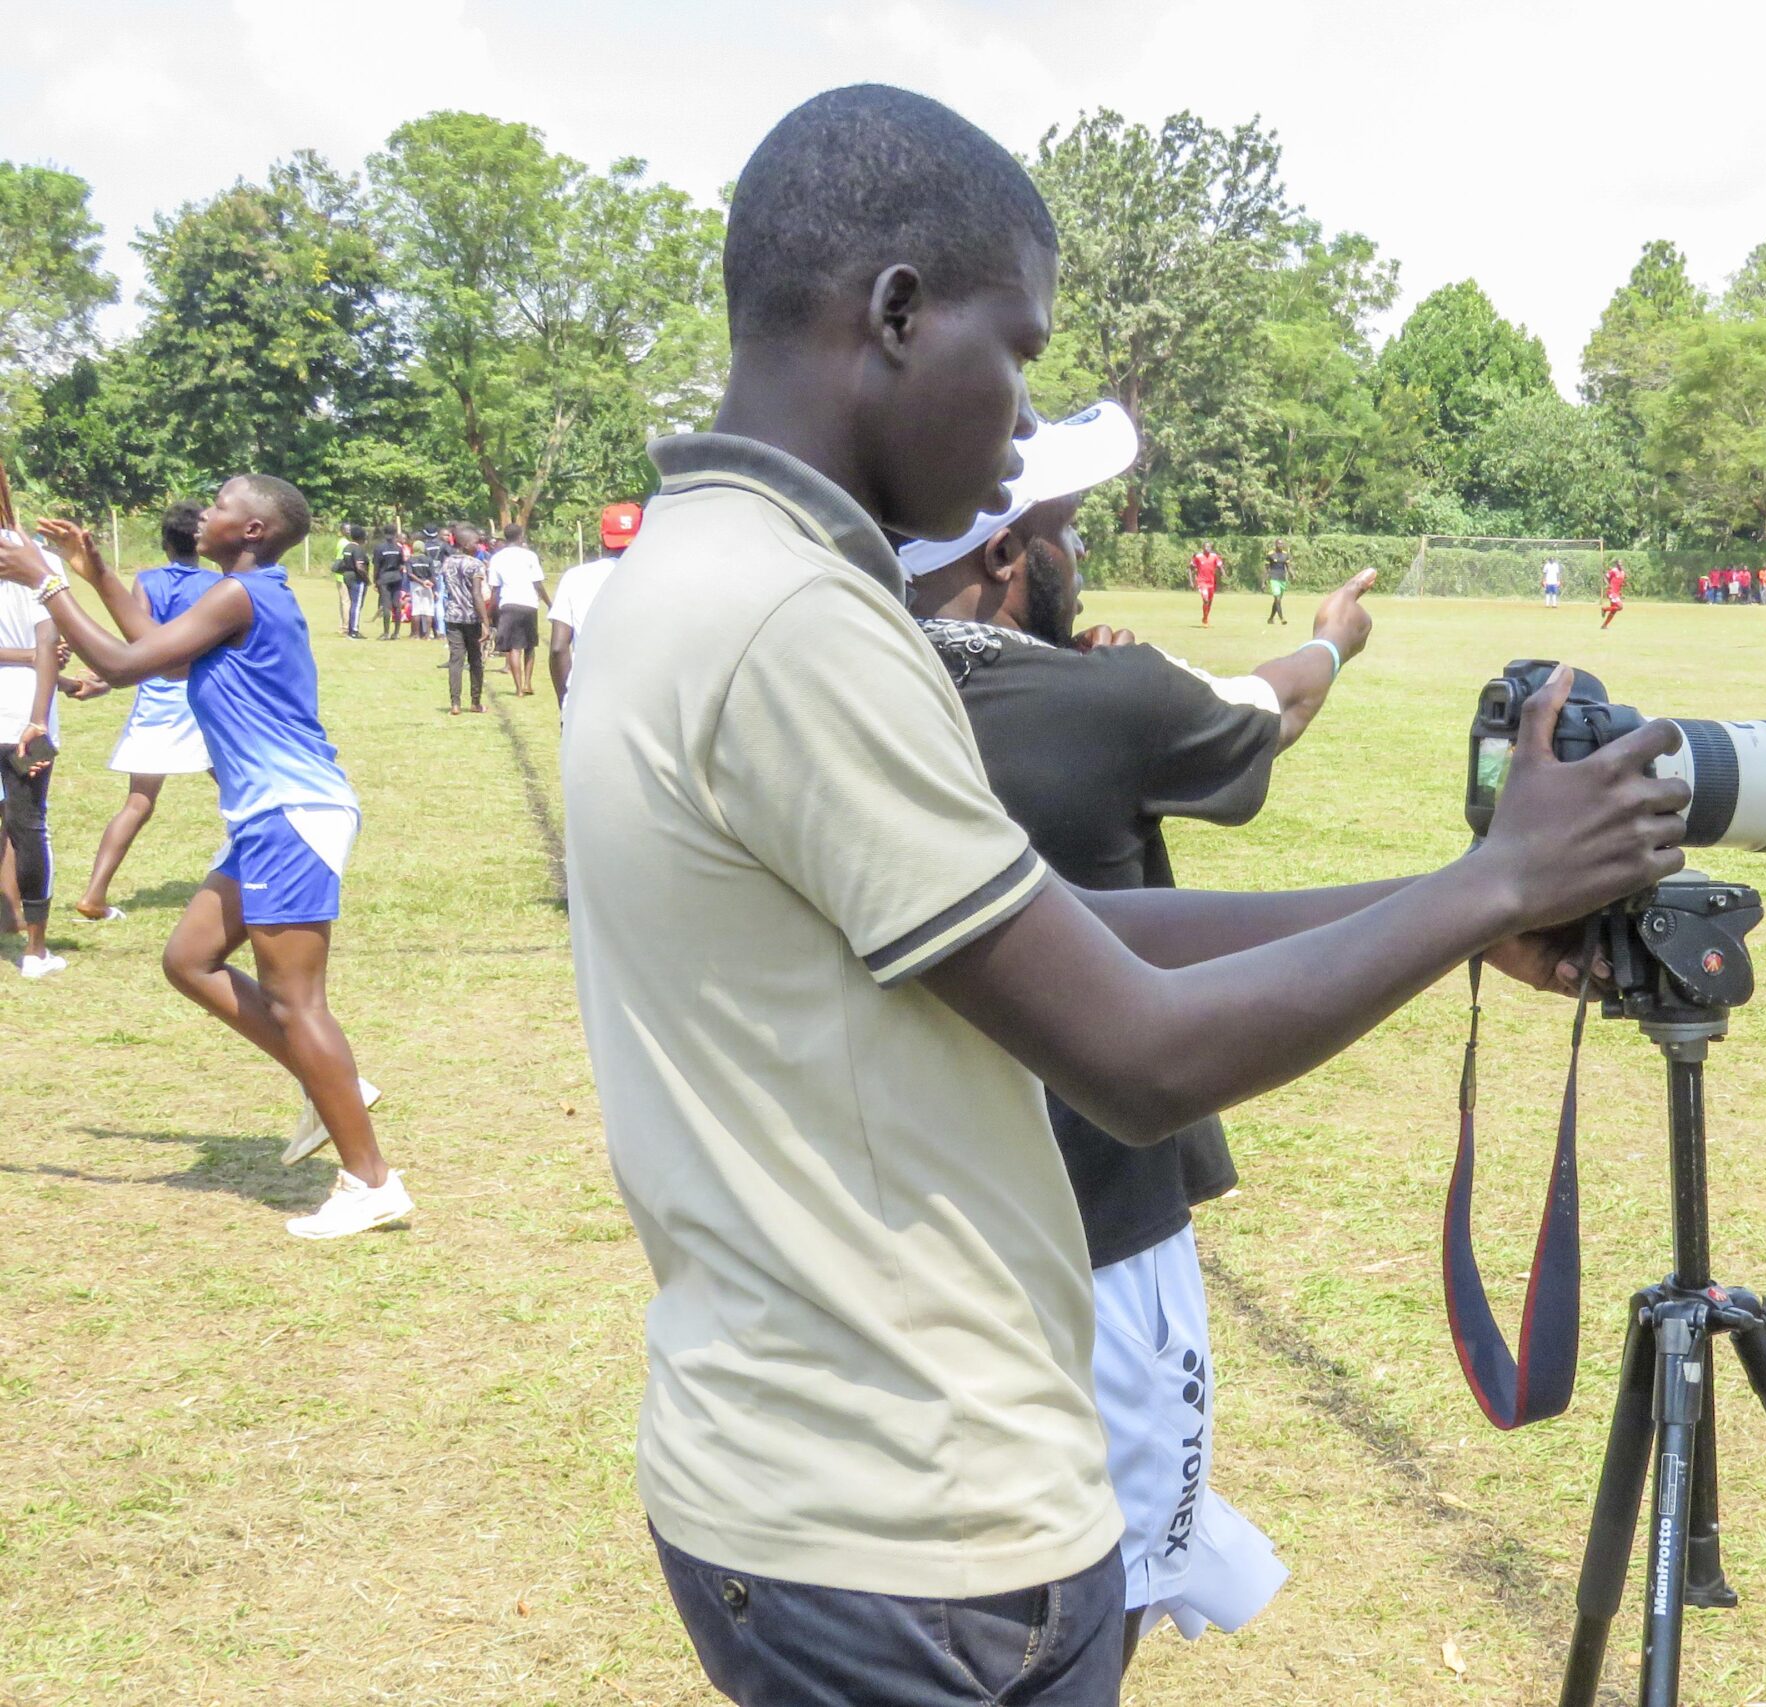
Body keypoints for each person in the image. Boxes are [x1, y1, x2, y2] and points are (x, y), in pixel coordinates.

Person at [558, 85, 1684, 1707]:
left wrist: (1463, 900)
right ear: (897, 313)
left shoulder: (696, 566)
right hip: (910, 1532)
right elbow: (1138, 1056)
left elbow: (1057, 937)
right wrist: (1500, 878)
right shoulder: (793, 619)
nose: (1024, 425)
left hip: (798, 1471)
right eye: (1016, 352)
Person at [901, 399, 1381, 1660]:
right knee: (1101, 1574)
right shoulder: (1104, 697)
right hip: (1102, 1216)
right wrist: (1331, 642)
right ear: (1007, 555)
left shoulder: (847, 695)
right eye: (1064, 531)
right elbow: (1267, 708)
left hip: (910, 1223)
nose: (1078, 555)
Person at [2, 482, 407, 1238]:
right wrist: (97, 574)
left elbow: (123, 663)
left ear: (251, 529)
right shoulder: (242, 596)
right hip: (267, 815)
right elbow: (158, 657)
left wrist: (46, 583)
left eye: (218, 505)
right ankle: (333, 1084)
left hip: (290, 811)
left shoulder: (240, 595)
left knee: (296, 1003)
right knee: (189, 959)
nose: (202, 514)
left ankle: (371, 1182)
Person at [74, 502, 216, 923]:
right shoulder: (218, 585)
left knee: (138, 802)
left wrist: (106, 680)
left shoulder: (147, 581)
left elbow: (138, 644)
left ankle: (94, 894)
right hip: (202, 698)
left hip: (155, 699)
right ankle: (261, 877)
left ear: (164, 542)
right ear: (201, 542)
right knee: (240, 790)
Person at [1, 527, 68, 978]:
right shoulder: (39, 559)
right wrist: (39, 718)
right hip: (22, 715)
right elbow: (48, 642)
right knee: (28, 827)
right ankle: (35, 952)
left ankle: (10, 919)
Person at [549, 503, 637, 703]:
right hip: (639, 699)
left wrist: (566, 705)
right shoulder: (658, 577)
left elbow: (558, 648)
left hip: (588, 698)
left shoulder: (576, 577)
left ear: (603, 539)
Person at [436, 526, 492, 714]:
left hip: (452, 617)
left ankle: (455, 703)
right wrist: (485, 622)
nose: (479, 546)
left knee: (455, 660)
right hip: (472, 618)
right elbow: (477, 594)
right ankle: (475, 702)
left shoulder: (447, 562)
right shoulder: (476, 565)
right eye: (476, 542)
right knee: (475, 660)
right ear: (466, 544)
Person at [487, 523, 547, 695]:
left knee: (514, 647)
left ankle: (518, 688)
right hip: (529, 604)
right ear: (520, 536)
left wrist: (490, 612)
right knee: (529, 646)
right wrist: (549, 603)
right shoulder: (530, 556)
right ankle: (528, 683)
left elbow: (495, 589)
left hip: (508, 604)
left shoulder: (497, 558)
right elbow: (538, 584)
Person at [331, 523, 370, 638]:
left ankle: (349, 628)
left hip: (346, 576)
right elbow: (359, 566)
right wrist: (366, 579)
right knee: (356, 605)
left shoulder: (347, 547)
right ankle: (354, 630)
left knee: (352, 603)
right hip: (356, 578)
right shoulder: (358, 549)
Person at [370, 524, 406, 639]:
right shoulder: (398, 548)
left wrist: (375, 580)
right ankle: (396, 633)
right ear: (395, 534)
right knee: (397, 604)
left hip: (384, 578)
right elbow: (402, 564)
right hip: (396, 577)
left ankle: (386, 633)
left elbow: (376, 566)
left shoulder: (379, 548)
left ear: (384, 533)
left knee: (386, 605)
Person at [1188, 542, 1223, 626]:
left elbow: (1220, 565)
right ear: (1203, 547)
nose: (1208, 548)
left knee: (1210, 602)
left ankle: (1205, 617)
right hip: (1201, 582)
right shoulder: (1198, 557)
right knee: (1206, 600)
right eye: (1206, 546)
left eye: (1209, 546)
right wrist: (1191, 581)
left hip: (1211, 582)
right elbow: (1190, 569)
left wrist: (1222, 572)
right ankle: (1205, 619)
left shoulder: (1214, 556)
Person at [1263, 540, 1291, 625]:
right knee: (1277, 599)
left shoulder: (1286, 554)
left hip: (1282, 579)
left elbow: (1288, 567)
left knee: (1277, 601)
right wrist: (1263, 582)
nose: (1280, 545)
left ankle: (1271, 618)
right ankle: (1282, 618)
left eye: (1281, 544)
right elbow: (1266, 569)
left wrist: (1292, 575)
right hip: (1274, 579)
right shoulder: (1270, 554)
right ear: (1275, 544)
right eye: (1279, 543)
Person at [1600, 557, 1627, 628]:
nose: (1620, 564)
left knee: (1614, 610)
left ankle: (1604, 625)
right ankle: (1604, 609)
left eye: (1621, 563)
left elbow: (1620, 584)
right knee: (1620, 607)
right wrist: (1608, 584)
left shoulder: (1623, 573)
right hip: (1611, 592)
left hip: (1616, 593)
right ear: (1616, 564)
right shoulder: (1613, 570)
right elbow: (1605, 577)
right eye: (1619, 563)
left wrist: (1621, 593)